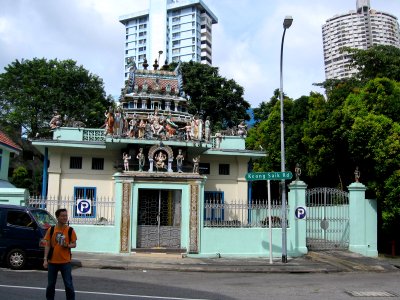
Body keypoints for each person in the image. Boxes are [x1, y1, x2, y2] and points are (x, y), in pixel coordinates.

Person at [43, 208, 77, 300]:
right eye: (62, 216)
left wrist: (67, 245)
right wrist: (45, 259)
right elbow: (47, 244)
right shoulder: (51, 229)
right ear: (57, 217)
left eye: (65, 216)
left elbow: (74, 244)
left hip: (65, 262)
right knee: (50, 285)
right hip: (52, 262)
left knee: (68, 285)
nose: (64, 218)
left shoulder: (70, 230)